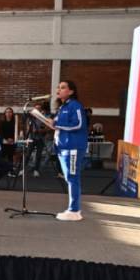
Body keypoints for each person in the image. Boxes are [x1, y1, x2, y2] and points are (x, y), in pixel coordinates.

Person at [49, 80, 88, 221]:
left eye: (63, 87)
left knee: (72, 177)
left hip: (73, 147)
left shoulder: (75, 105)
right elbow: (59, 126)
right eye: (58, 87)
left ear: (71, 91)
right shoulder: (62, 107)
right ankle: (73, 209)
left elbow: (78, 124)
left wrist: (57, 124)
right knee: (69, 178)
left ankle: (74, 210)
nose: (59, 90)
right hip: (63, 147)